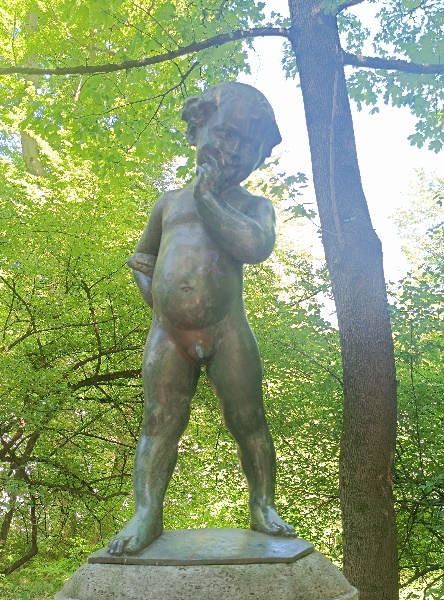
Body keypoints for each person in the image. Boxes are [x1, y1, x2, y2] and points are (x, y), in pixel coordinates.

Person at [108, 82, 295, 556]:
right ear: (197, 130)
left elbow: (255, 245)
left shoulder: (253, 205)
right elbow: (142, 259)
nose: (232, 151)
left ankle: (263, 504)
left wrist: (210, 198)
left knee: (249, 418)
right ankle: (147, 512)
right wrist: (161, 303)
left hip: (228, 330)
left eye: (247, 146)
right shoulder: (169, 203)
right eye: (225, 134)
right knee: (159, 419)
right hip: (168, 333)